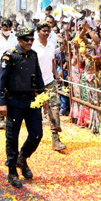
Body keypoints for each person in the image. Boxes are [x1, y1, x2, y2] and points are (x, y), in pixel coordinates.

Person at [0, 26, 47, 189]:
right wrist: (2, 102)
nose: (30, 42)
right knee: (12, 137)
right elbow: (1, 80)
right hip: (14, 102)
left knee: (37, 134)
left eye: (32, 39)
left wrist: (42, 96)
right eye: (26, 39)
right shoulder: (9, 56)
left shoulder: (33, 55)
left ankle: (22, 158)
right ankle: (12, 170)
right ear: (19, 40)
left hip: (31, 101)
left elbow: (38, 77)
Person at [33, 22, 66, 151]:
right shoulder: (33, 46)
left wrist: (56, 74)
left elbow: (52, 60)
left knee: (55, 106)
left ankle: (55, 138)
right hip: (36, 83)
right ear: (38, 31)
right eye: (44, 31)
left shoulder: (51, 45)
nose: (46, 33)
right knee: (36, 110)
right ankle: (34, 135)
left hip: (50, 80)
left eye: (48, 31)